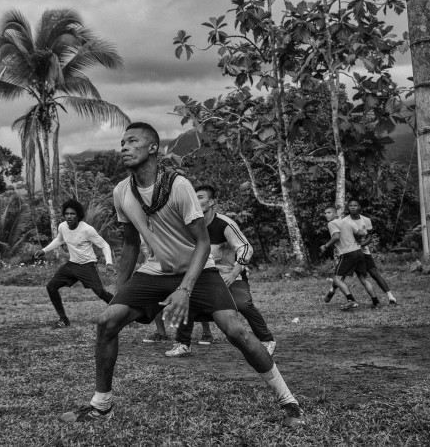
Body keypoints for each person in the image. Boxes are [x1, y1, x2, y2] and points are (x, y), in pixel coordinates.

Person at [59, 122, 305, 427]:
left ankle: (289, 401)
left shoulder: (178, 186)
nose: (123, 146)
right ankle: (102, 405)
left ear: (152, 148)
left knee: (236, 329)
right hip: (155, 271)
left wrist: (185, 289)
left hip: (199, 269)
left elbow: (203, 243)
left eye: (132, 141)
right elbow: (132, 243)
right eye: (122, 142)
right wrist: (119, 292)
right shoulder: (122, 191)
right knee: (107, 322)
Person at [165, 186, 276, 358]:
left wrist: (233, 275)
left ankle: (267, 339)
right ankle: (183, 344)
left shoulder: (225, 224)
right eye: (193, 197)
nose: (195, 200)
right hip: (204, 276)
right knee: (185, 299)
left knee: (242, 304)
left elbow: (246, 248)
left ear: (211, 202)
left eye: (200, 197)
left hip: (230, 274)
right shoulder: (189, 225)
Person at [35, 199, 115, 328]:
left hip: (87, 265)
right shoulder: (62, 226)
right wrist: (44, 250)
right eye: (67, 214)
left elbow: (104, 245)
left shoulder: (87, 230)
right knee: (51, 287)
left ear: (78, 216)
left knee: (100, 292)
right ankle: (63, 319)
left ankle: (124, 312)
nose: (69, 216)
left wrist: (109, 263)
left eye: (72, 214)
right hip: (72, 265)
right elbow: (59, 240)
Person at [320, 206, 379, 310]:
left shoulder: (332, 223)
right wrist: (355, 240)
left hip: (348, 254)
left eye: (329, 212)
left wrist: (325, 246)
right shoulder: (347, 222)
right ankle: (376, 302)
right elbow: (361, 233)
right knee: (363, 279)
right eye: (325, 213)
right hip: (358, 251)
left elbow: (336, 237)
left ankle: (351, 301)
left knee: (337, 279)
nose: (326, 215)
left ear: (335, 214)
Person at [345, 200, 397, 305]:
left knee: (374, 273)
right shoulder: (344, 221)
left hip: (363, 251)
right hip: (350, 252)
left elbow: (369, 237)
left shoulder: (366, 220)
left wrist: (361, 245)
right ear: (348, 207)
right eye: (350, 206)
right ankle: (332, 292)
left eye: (355, 205)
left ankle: (390, 296)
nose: (353, 207)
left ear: (359, 207)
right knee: (341, 274)